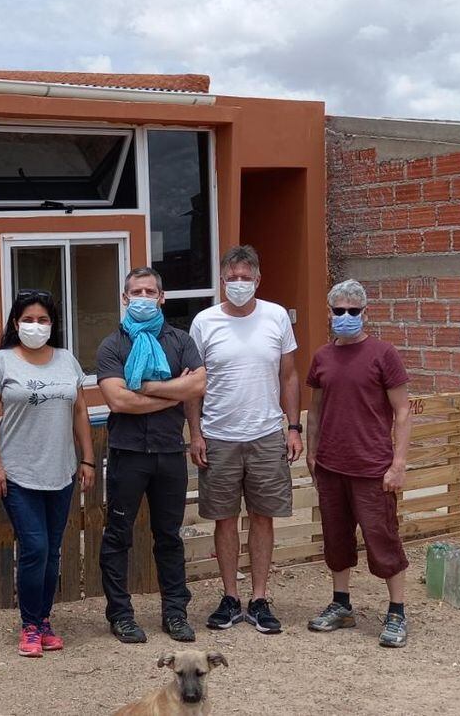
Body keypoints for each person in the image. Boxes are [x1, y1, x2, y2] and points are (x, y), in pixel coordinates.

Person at [188, 245, 301, 634]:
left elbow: (289, 376)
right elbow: (193, 384)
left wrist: (293, 426)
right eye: (232, 277)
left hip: (267, 434)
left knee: (262, 516)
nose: (239, 284)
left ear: (258, 279)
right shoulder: (204, 322)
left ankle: (259, 597)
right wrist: (195, 432)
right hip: (218, 436)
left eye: (245, 277)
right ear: (222, 281)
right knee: (223, 519)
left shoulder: (276, 317)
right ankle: (230, 597)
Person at [0, 290, 96, 658]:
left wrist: (88, 459)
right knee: (35, 548)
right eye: (28, 319)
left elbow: (79, 411)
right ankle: (29, 625)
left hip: (60, 471)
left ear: (52, 325)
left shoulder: (66, 360)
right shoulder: (0, 362)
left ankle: (44, 620)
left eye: (43, 320)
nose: (35, 325)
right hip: (18, 472)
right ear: (16, 323)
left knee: (54, 550)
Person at [96, 267, 206, 644]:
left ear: (162, 297)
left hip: (170, 452)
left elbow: (200, 385)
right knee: (118, 536)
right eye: (135, 291)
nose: (143, 296)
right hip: (128, 453)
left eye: (150, 291)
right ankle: (120, 614)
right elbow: (117, 400)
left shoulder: (180, 340)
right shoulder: (112, 345)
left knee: (169, 537)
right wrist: (174, 390)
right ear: (125, 298)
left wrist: (147, 387)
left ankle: (175, 613)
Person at [304, 279, 412, 648]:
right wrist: (312, 450)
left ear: (365, 312)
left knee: (382, 538)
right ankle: (341, 605)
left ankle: (396, 611)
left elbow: (402, 410)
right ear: (330, 312)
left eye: (353, 311)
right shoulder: (322, 357)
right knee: (335, 540)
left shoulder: (384, 354)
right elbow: (315, 410)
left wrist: (398, 463)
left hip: (372, 468)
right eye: (339, 311)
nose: (346, 316)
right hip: (332, 467)